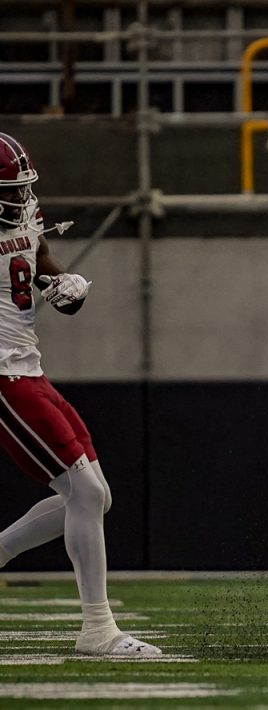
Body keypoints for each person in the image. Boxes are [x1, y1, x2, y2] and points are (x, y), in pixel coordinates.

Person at [0, 132, 160, 656]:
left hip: (30, 369)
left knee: (95, 495)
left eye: (22, 188)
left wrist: (65, 284)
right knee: (85, 493)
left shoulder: (23, 215)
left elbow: (39, 262)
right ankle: (97, 628)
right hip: (4, 378)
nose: (19, 198)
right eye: (9, 189)